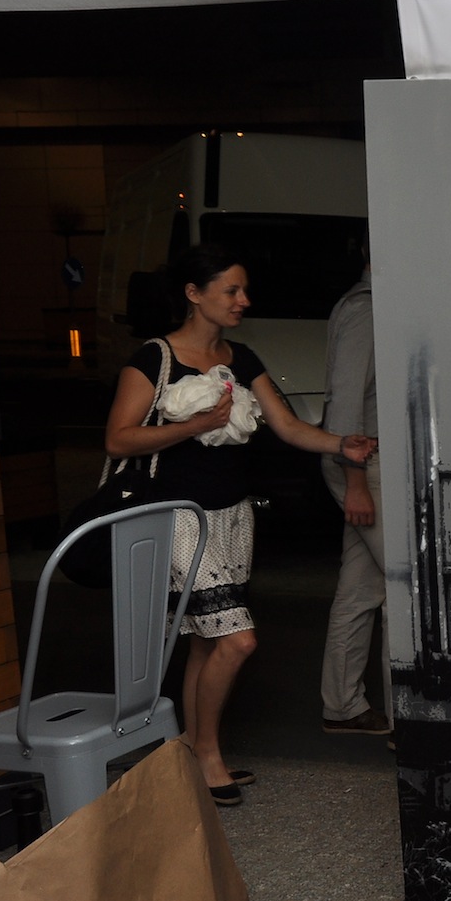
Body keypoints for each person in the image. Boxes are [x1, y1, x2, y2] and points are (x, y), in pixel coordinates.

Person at [104, 244, 376, 805]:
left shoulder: (242, 358)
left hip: (231, 518)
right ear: (193, 294)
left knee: (208, 644)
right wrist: (196, 424)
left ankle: (188, 754)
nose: (243, 300)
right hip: (176, 516)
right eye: (231, 290)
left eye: (244, 290)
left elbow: (288, 427)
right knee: (237, 639)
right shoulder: (154, 359)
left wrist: (341, 445)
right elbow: (119, 439)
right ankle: (208, 755)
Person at [319, 265, 390, 737]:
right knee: (405, 587)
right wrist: (357, 482)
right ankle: (409, 720)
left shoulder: (370, 304)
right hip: (365, 463)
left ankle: (343, 705)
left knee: (362, 587)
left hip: (369, 463)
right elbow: (345, 405)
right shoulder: (367, 309)